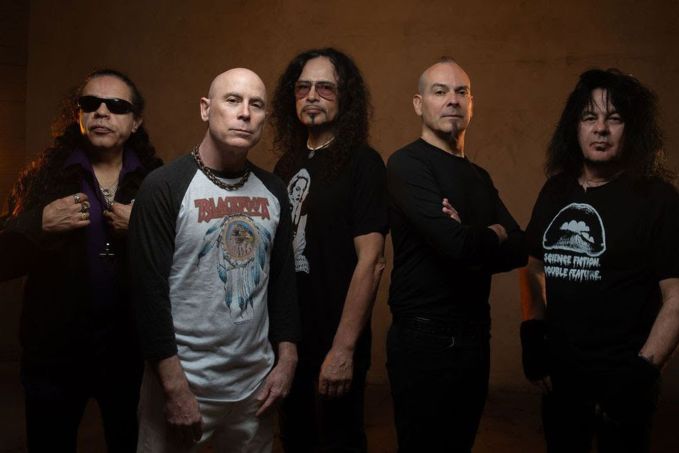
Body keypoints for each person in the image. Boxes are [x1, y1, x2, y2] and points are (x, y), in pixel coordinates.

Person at [129, 68, 299, 453]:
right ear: (206, 109)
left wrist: (287, 360)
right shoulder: (164, 187)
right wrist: (174, 388)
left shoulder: (274, 190)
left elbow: (283, 283)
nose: (245, 113)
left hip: (255, 390)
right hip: (184, 385)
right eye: (233, 100)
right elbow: (147, 296)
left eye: (256, 105)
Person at [0, 69, 162, 452]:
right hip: (53, 360)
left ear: (136, 121)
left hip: (128, 357)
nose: (101, 112)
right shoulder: (43, 178)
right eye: (90, 103)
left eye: (116, 105)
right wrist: (39, 223)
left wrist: (143, 228)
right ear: (78, 115)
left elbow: (188, 265)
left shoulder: (158, 183)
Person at [520, 69, 679, 453]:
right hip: (562, 377)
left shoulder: (658, 199)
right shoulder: (556, 190)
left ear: (632, 128)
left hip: (623, 377)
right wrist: (533, 335)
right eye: (589, 117)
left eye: (615, 118)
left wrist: (642, 373)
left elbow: (677, 298)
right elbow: (534, 266)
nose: (601, 129)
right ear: (575, 127)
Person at [385, 57, 526, 452]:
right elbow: (457, 246)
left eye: (461, 92)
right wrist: (487, 233)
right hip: (424, 340)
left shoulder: (479, 176)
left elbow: (519, 247)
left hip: (475, 338)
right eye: (440, 91)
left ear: (471, 104)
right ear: (419, 104)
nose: (452, 100)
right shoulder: (406, 164)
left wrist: (468, 234)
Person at [270, 48, 388, 453]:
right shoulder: (285, 166)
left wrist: (343, 349)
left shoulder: (364, 164)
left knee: (339, 441)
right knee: (295, 440)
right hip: (289, 341)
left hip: (334, 339)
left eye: (325, 88)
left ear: (345, 97)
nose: (312, 96)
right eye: (303, 87)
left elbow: (371, 263)